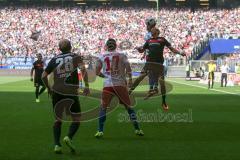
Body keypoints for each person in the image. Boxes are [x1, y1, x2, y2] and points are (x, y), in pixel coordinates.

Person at [42, 39, 90, 154]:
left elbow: (44, 75)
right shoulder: (75, 56)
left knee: (58, 119)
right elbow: (83, 69)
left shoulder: (54, 59)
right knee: (77, 119)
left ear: (59, 49)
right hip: (71, 91)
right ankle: (68, 137)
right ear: (71, 47)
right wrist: (87, 85)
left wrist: (49, 88)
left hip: (57, 91)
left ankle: (57, 145)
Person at [94, 38, 144, 138]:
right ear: (116, 45)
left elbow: (96, 72)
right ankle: (137, 129)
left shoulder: (101, 56)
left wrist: (104, 76)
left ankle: (100, 130)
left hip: (108, 85)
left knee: (103, 107)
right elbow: (128, 68)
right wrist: (129, 79)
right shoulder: (122, 55)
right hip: (120, 84)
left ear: (106, 46)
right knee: (128, 107)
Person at [130, 28, 185, 110]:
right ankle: (128, 93)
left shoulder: (162, 40)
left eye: (153, 31)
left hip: (158, 64)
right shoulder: (149, 41)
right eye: (151, 31)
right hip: (149, 64)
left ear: (157, 32)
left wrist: (180, 53)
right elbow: (142, 50)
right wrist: (138, 49)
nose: (151, 32)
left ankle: (163, 102)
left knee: (162, 84)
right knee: (139, 78)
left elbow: (171, 49)